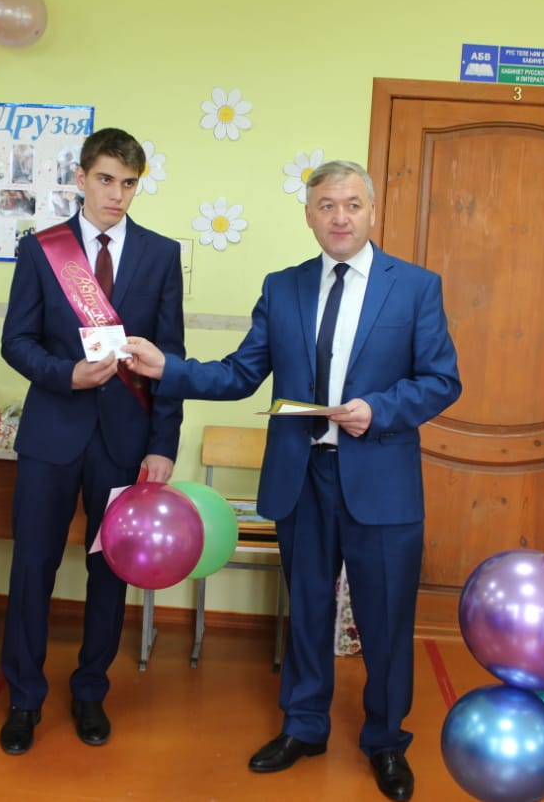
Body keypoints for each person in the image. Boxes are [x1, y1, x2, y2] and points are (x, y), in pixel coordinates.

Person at [122, 160, 460, 802]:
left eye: (352, 204)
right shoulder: (283, 287)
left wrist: (378, 410)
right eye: (326, 205)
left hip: (380, 479)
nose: (340, 217)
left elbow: (442, 380)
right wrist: (169, 368)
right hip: (301, 478)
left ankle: (387, 741)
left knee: (386, 621)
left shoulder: (416, 288)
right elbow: (239, 374)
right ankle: (304, 726)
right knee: (306, 611)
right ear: (308, 216)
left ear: (371, 211)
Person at [0, 127, 185, 755]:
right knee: (33, 567)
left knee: (109, 571)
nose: (117, 194)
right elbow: (16, 341)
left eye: (129, 183)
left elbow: (171, 359)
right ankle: (24, 697)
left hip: (125, 440)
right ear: (81, 178)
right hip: (52, 432)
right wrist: (66, 374)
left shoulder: (161, 255)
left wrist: (163, 444)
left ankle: (90, 691)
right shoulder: (40, 250)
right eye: (106, 179)